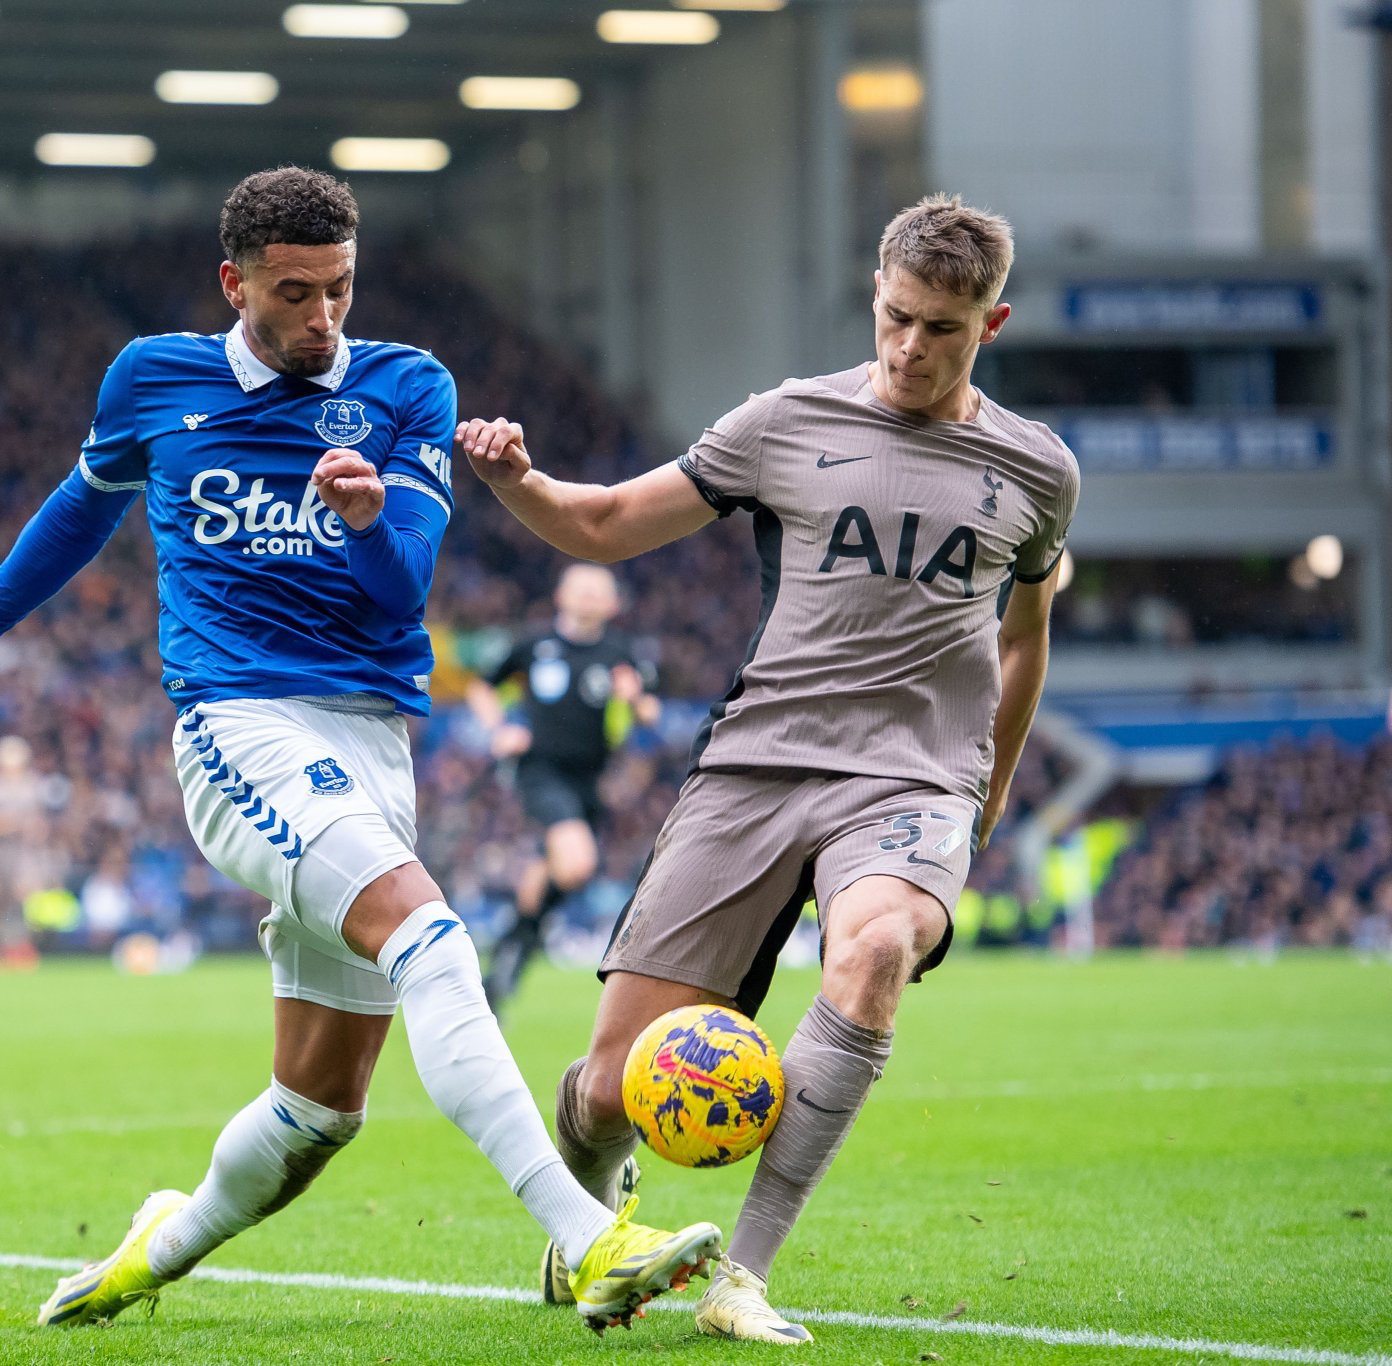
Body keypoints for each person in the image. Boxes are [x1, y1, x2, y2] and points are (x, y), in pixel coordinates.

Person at [0, 166, 723, 1335]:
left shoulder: (405, 386)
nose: (322, 318)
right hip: (239, 724)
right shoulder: (151, 378)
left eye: (339, 289)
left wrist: (367, 520)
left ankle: (156, 1245)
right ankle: (588, 1239)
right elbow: (81, 508)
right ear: (233, 284)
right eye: (293, 293)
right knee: (433, 941)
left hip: (371, 739)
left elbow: (400, 591)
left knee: (320, 1107)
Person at [456, 193, 1079, 1345]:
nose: (908, 346)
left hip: (911, 783)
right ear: (874, 293)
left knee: (874, 948)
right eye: (894, 316)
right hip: (754, 768)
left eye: (941, 328)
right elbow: (605, 522)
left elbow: (1024, 632)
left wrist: (987, 786)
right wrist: (514, 482)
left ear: (989, 325)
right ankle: (587, 1220)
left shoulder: (1037, 470)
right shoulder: (785, 421)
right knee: (607, 1087)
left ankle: (737, 1275)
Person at [466, 563, 659, 1010]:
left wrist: (633, 698)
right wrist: (500, 729)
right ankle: (515, 947)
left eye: (598, 591)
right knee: (576, 864)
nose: (589, 597)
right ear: (561, 595)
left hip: (591, 779)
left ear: (612, 604)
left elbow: (651, 713)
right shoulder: (534, 644)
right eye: (581, 589)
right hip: (539, 769)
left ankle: (507, 959)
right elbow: (481, 688)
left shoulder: (621, 652)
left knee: (552, 870)